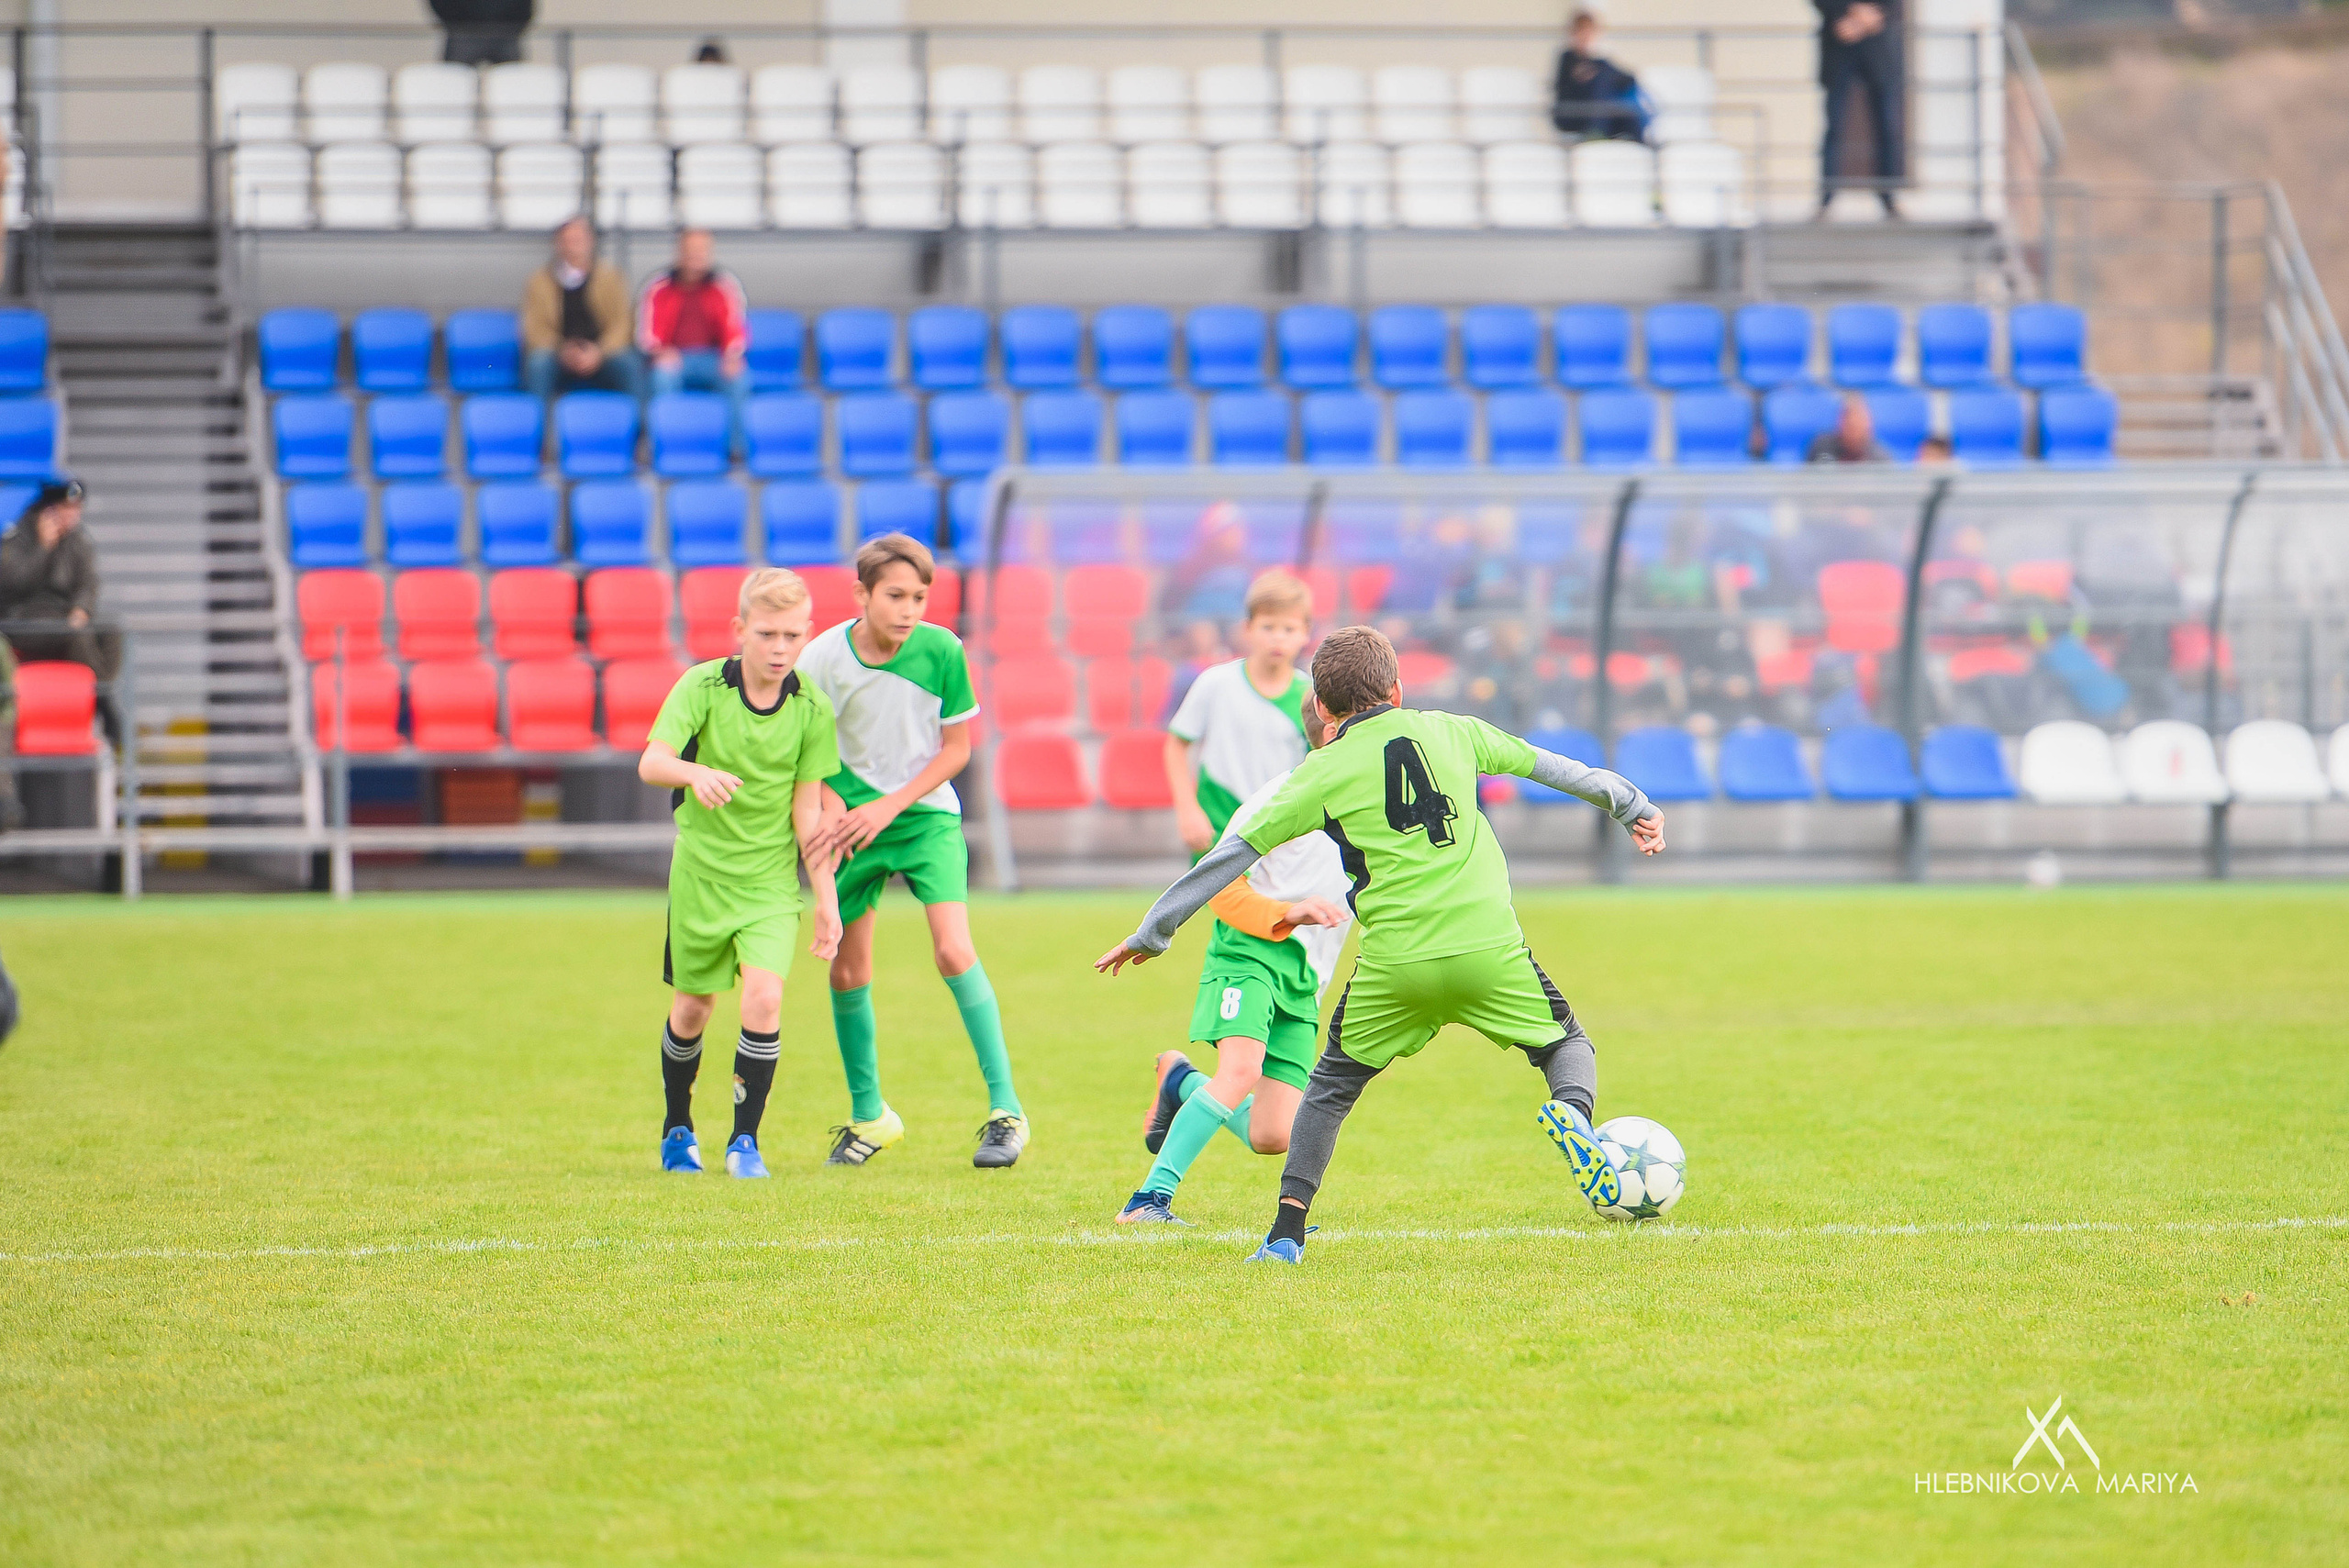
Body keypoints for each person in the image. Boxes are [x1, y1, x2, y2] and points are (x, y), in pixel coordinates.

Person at [1097, 625, 1668, 1264]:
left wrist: (1155, 930)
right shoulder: (1458, 730)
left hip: (1396, 961)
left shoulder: (1321, 771)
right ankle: (1573, 1113)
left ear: (1324, 710)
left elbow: (1230, 854)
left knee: (1331, 1087)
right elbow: (1553, 766)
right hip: (1488, 946)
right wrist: (1631, 803)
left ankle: (1286, 1233)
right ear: (1398, 688)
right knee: (1567, 1043)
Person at [798, 534, 1030, 1170]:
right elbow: (806, 755)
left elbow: (957, 750)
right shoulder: (821, 659)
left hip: (922, 815)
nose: (908, 609)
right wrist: (832, 806)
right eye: (895, 595)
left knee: (953, 948)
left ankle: (1007, 1111)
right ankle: (871, 1116)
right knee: (846, 969)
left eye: (920, 597)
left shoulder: (942, 649)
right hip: (849, 824)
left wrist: (890, 804)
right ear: (861, 595)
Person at [636, 568, 843, 1180]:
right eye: (768, 634)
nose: (780, 649)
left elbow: (809, 812)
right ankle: (678, 1126)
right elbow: (652, 761)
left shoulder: (811, 708)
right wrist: (693, 774)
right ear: (740, 630)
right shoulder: (701, 687)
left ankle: (744, 1142)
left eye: (792, 635)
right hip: (700, 877)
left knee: (765, 994)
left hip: (769, 885)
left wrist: (826, 899)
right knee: (694, 1008)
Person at [1117, 694, 1353, 1225]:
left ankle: (1180, 1082)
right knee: (1241, 1069)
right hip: (1250, 955)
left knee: (1271, 1136)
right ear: (1334, 728)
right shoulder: (1281, 798)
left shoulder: (1374, 805)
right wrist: (1289, 913)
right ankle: (1148, 1201)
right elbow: (1221, 886)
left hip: (1305, 980)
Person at [1164, 571, 1314, 857]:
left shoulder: (1311, 697)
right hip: (1219, 827)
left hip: (1282, 837)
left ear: (1305, 633)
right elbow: (1176, 744)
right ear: (1248, 628)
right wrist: (1187, 811)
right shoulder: (1215, 683)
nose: (1278, 639)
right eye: (1268, 627)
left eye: (1289, 629)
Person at [0, 477, 121, 748]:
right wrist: (43, 549)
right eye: (66, 509)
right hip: (23, 619)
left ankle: (102, 691)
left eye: (76, 510)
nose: (72, 516)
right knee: (75, 636)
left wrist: (82, 608)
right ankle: (103, 702)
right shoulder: (18, 536)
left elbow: (88, 582)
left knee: (111, 629)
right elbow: (11, 584)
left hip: (63, 615)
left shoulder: (77, 541)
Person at [637, 228, 751, 454]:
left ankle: (734, 448)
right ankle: (666, 443)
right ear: (678, 253)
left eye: (701, 251)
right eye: (690, 251)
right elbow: (645, 332)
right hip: (674, 358)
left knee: (739, 378)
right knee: (661, 378)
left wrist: (731, 356)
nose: (695, 256)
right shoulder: (658, 287)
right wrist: (660, 352)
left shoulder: (724, 286)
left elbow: (736, 329)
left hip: (712, 358)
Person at [523, 217, 639, 404]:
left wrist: (599, 352)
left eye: (578, 240)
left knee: (629, 364)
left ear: (590, 242)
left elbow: (622, 324)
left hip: (602, 353)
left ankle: (639, 426)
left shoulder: (611, 278)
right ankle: (535, 429)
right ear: (558, 244)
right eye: (567, 241)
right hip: (559, 354)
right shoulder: (539, 282)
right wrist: (563, 350)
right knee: (538, 364)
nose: (572, 247)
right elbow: (534, 328)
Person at [1815, 0, 1904, 217]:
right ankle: (1827, 197)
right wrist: (1850, 13)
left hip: (1879, 49)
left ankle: (1888, 196)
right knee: (1833, 126)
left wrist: (1870, 17)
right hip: (1839, 43)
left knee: (1886, 126)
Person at [1551, 9, 1647, 142]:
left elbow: (1629, 79)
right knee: (1602, 80)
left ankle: (1641, 145)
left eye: (1588, 32)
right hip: (1574, 114)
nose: (1585, 36)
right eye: (1581, 31)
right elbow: (1565, 91)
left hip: (1602, 117)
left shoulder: (1600, 62)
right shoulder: (1567, 59)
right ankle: (1596, 132)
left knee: (1627, 108)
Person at [429, 0, 532, 67]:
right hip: (462, 33)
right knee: (455, 85)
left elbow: (525, 5)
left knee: (511, 85)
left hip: (505, 33)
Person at [1806, 393, 1894, 464]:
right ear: (1840, 421)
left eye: (1858, 421)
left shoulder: (1880, 460)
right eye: (1847, 419)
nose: (1853, 427)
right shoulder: (1821, 446)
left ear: (1868, 425)